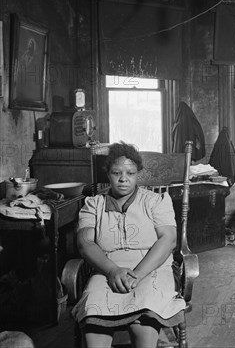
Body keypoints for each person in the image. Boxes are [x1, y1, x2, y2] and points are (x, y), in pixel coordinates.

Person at [71, 142, 185, 348]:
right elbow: (85, 243)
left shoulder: (156, 201)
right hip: (106, 269)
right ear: (108, 173)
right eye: (116, 172)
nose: (123, 179)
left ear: (137, 174)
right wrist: (112, 271)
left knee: (144, 319)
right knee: (94, 314)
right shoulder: (94, 205)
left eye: (130, 173)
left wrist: (138, 274)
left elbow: (169, 240)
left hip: (152, 267)